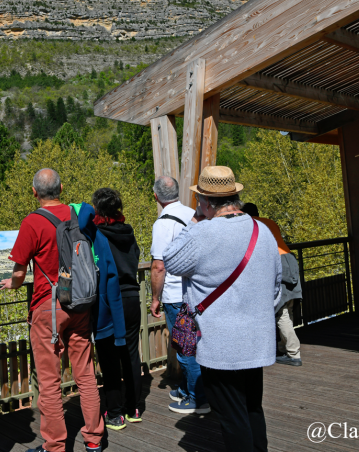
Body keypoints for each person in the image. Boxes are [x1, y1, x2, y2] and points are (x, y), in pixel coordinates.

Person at [164, 166, 281, 452]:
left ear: (204, 201)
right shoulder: (261, 229)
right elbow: (276, 288)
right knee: (253, 407)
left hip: (220, 345)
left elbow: (171, 261)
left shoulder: (202, 232)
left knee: (231, 416)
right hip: (256, 340)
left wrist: (195, 222)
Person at [0, 168, 105, 452]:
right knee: (85, 374)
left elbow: (20, 272)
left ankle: (55, 446)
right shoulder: (77, 217)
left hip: (49, 306)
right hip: (81, 303)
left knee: (49, 381)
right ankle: (94, 437)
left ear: (34, 192)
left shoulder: (32, 222)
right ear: (61, 189)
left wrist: (12, 283)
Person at [148, 176, 209, 415]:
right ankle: (186, 389)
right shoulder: (194, 214)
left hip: (175, 295)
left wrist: (155, 298)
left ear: (156, 196)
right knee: (195, 344)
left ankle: (199, 399)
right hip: (198, 291)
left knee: (186, 350)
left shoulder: (162, 224)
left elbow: (158, 266)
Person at [90, 187, 144, 429]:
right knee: (131, 354)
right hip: (132, 297)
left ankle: (114, 413)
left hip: (109, 300)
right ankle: (134, 407)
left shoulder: (97, 234)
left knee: (109, 358)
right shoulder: (128, 232)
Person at [242, 203, 303, 367]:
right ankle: (283, 348)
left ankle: (294, 353)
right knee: (287, 308)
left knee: (280, 313)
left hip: (277, 263)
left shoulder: (250, 225)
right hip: (290, 260)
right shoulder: (269, 221)